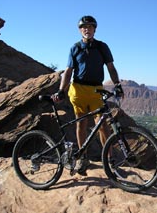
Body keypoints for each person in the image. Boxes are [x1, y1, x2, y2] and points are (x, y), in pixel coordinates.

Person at [52, 15, 124, 175]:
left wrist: (117, 85)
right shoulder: (75, 48)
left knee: (103, 125)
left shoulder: (102, 46)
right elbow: (68, 71)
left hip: (96, 90)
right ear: (80, 30)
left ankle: (110, 160)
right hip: (78, 90)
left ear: (95, 29)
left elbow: (111, 67)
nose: (87, 29)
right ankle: (82, 158)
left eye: (90, 27)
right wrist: (61, 90)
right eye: (84, 27)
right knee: (82, 124)